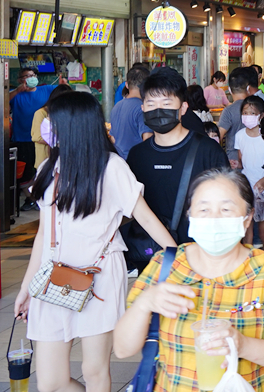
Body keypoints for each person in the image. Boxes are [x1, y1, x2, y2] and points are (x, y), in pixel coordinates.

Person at [16, 92, 175, 392]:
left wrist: (179, 257)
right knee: (50, 382)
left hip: (98, 278)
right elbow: (43, 235)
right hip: (52, 279)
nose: (48, 126)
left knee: (94, 373)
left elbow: (147, 218)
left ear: (73, 125)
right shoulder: (47, 170)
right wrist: (26, 288)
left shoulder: (111, 167)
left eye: (53, 120)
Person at [114, 169, 264, 392]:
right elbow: (122, 349)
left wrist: (242, 344)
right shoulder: (165, 266)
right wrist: (144, 304)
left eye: (226, 209)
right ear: (191, 215)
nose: (214, 219)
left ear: (247, 219)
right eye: (204, 209)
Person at [124, 67, 230, 271]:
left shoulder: (208, 151)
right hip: (153, 260)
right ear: (143, 108)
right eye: (151, 104)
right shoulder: (137, 155)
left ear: (183, 108)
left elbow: (228, 206)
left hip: (201, 258)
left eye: (166, 103)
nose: (158, 110)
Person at [11, 67, 60, 208]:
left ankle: (41, 198)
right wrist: (17, 90)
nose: (31, 78)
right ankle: (32, 198)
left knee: (42, 170)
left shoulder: (47, 90)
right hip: (22, 139)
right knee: (24, 174)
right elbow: (4, 101)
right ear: (21, 80)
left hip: (44, 141)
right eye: (27, 76)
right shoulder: (16, 96)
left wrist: (64, 83)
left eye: (33, 75)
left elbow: (65, 93)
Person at [235, 95, 264, 259]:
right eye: (245, 112)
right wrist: (235, 165)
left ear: (262, 115)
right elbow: (242, 162)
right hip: (246, 190)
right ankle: (246, 264)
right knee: (246, 232)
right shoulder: (240, 136)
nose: (248, 116)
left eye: (252, 113)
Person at [219, 67, 263, 169]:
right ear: (248, 88)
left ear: (229, 90)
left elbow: (218, 137)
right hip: (256, 159)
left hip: (234, 162)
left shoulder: (228, 111)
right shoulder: (258, 107)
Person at [109, 65, 153, 159]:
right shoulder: (142, 108)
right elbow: (148, 139)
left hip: (120, 163)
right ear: (147, 86)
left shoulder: (116, 107)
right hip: (137, 163)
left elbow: (113, 138)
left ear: (127, 85)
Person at [31, 84, 74, 169]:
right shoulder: (41, 113)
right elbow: (37, 137)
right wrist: (61, 141)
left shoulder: (66, 114)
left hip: (62, 160)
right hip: (45, 160)